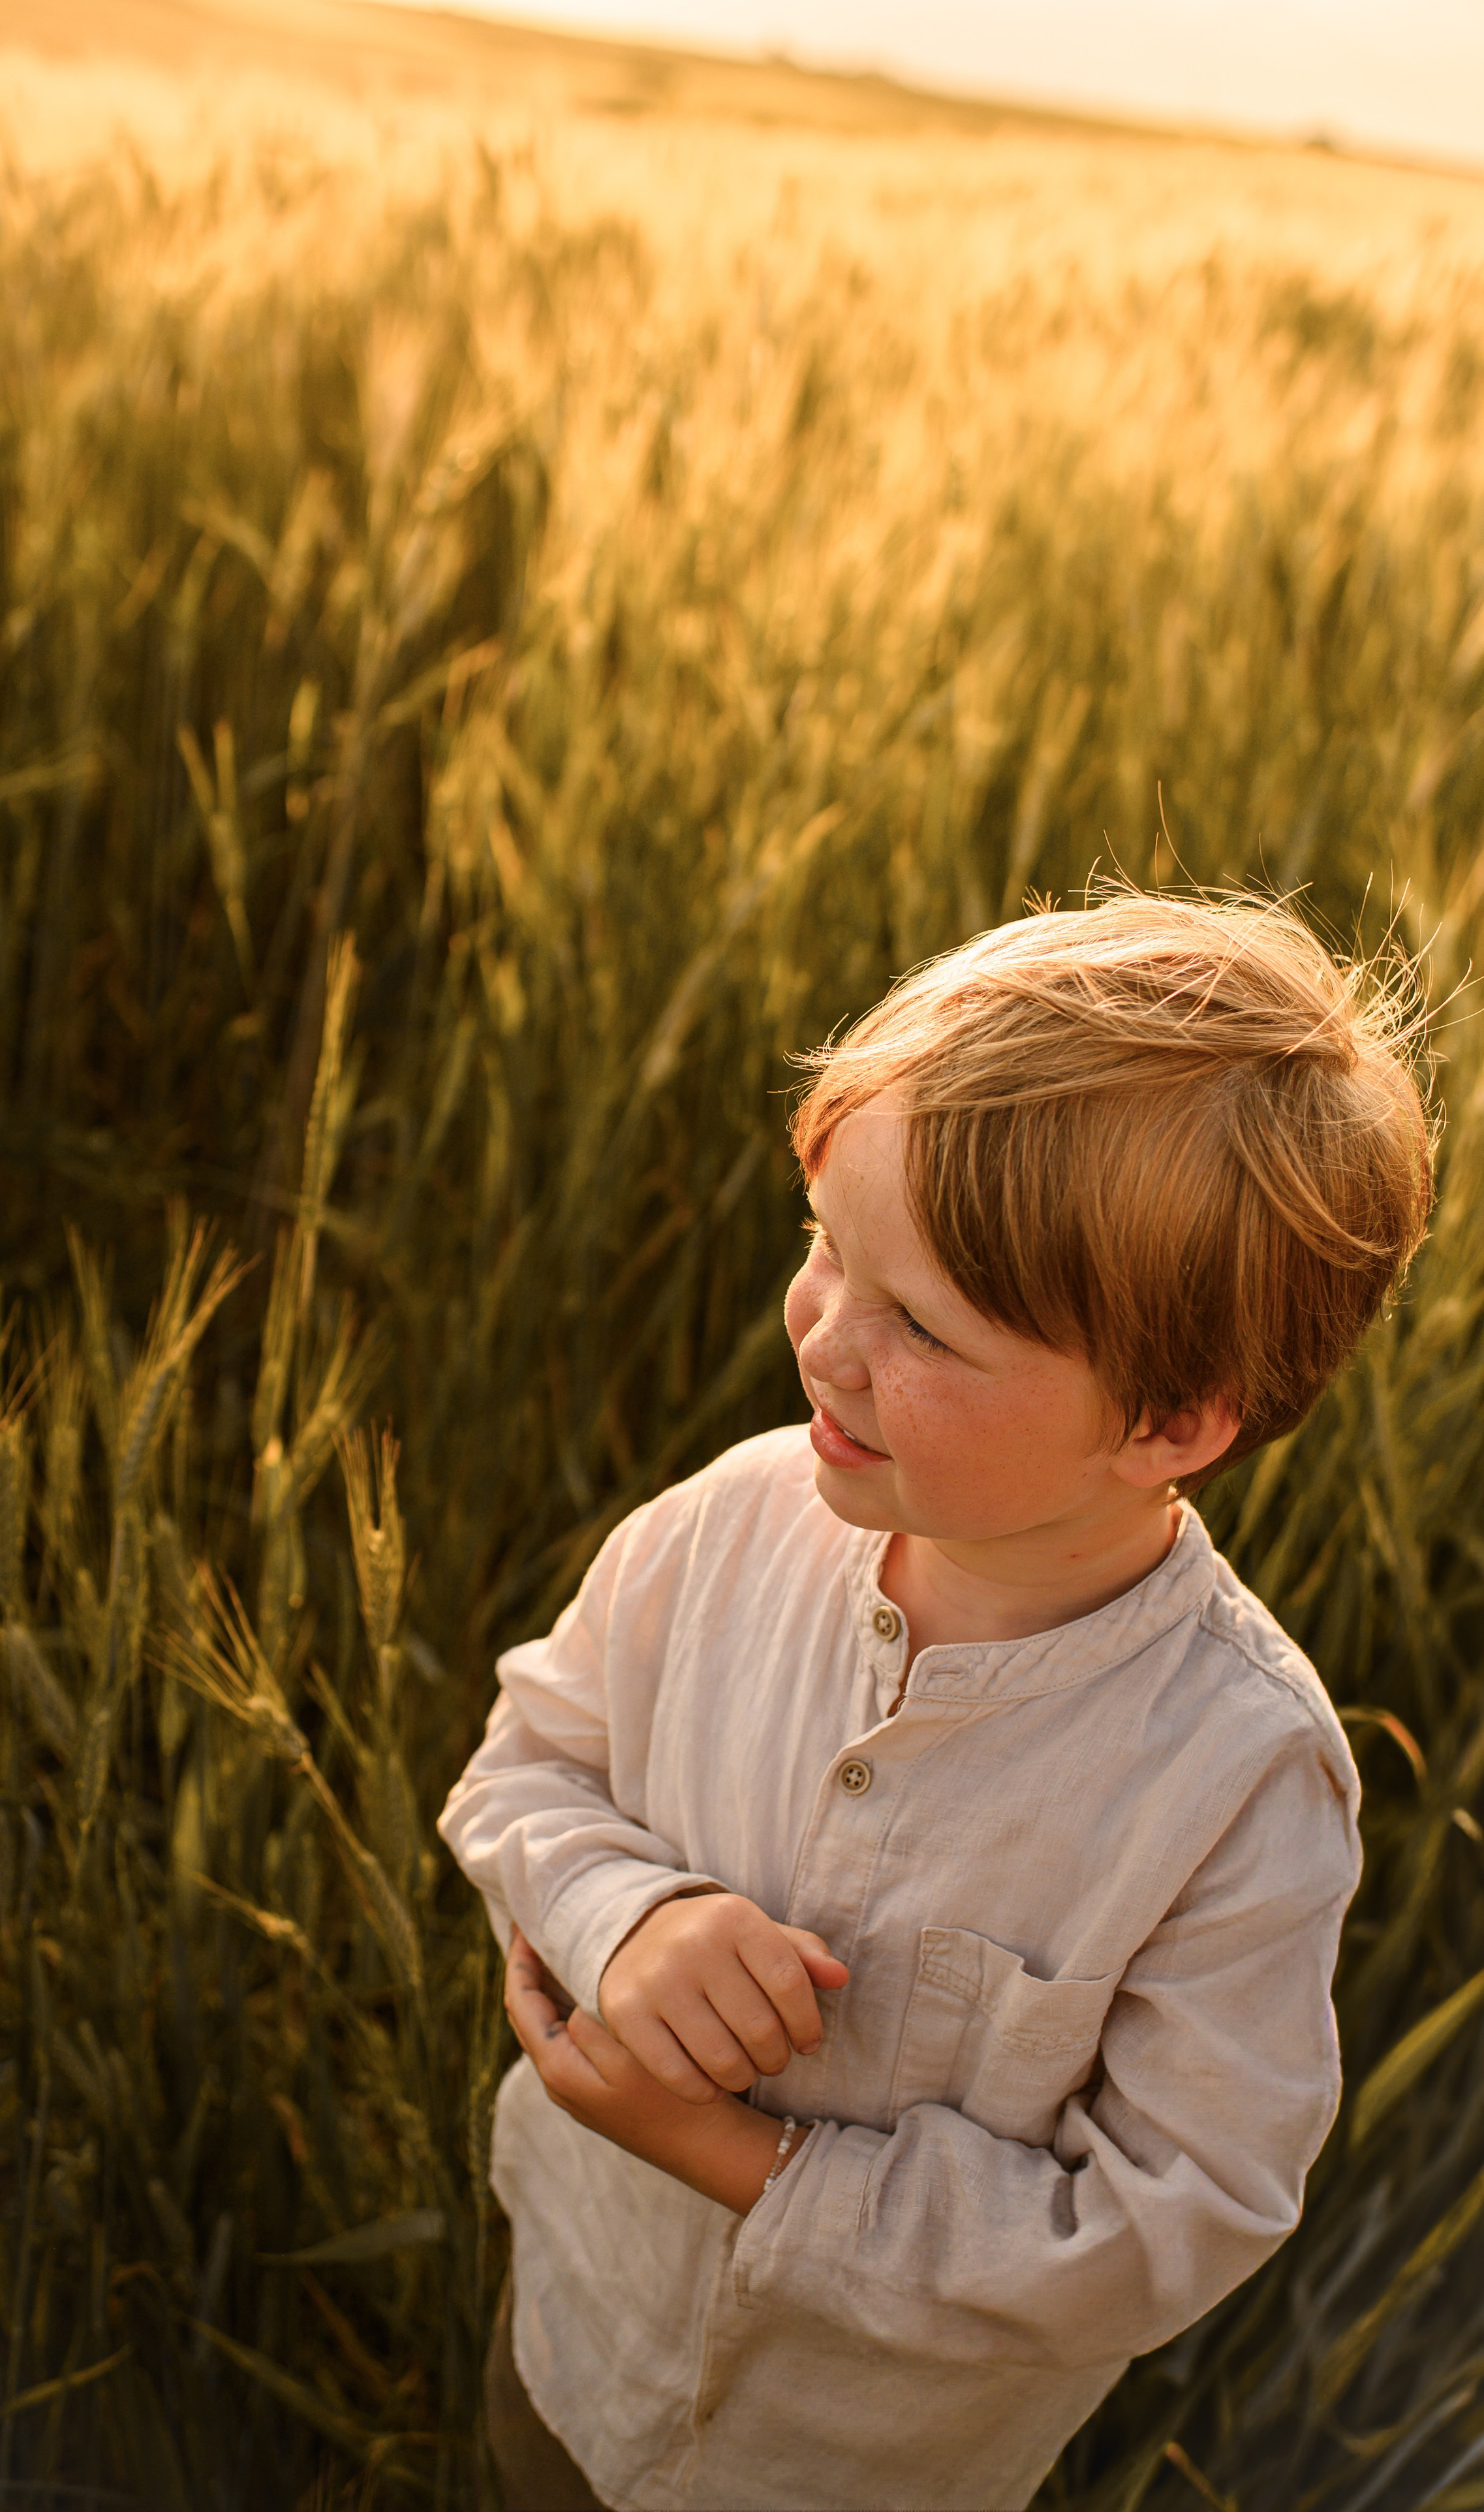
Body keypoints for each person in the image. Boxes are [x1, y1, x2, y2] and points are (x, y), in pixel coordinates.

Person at [439, 890, 1434, 2512]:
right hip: (578, 2328)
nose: (825, 1339)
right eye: (826, 1245)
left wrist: (738, 2161)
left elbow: (1164, 2220)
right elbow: (523, 1768)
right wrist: (626, 1917)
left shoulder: (1236, 1780)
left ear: (1169, 1422)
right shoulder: (719, 1527)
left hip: (863, 2467)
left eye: (922, 1325)